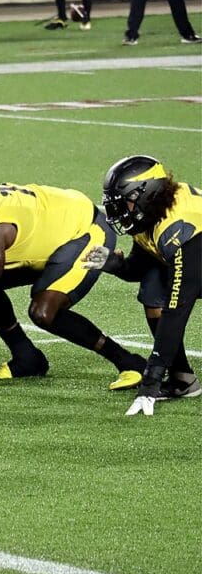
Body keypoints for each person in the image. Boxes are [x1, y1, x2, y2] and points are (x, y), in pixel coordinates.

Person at [0, 174, 147, 398]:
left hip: (81, 229)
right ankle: (27, 358)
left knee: (44, 312)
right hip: (47, 231)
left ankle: (130, 362)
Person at [83, 156, 200, 415]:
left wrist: (150, 381)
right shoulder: (151, 213)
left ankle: (170, 375)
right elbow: (139, 267)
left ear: (145, 193)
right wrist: (113, 264)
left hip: (196, 257)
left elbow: (177, 309)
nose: (118, 212)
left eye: (124, 201)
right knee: (152, 283)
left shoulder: (178, 227)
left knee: (168, 298)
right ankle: (183, 380)